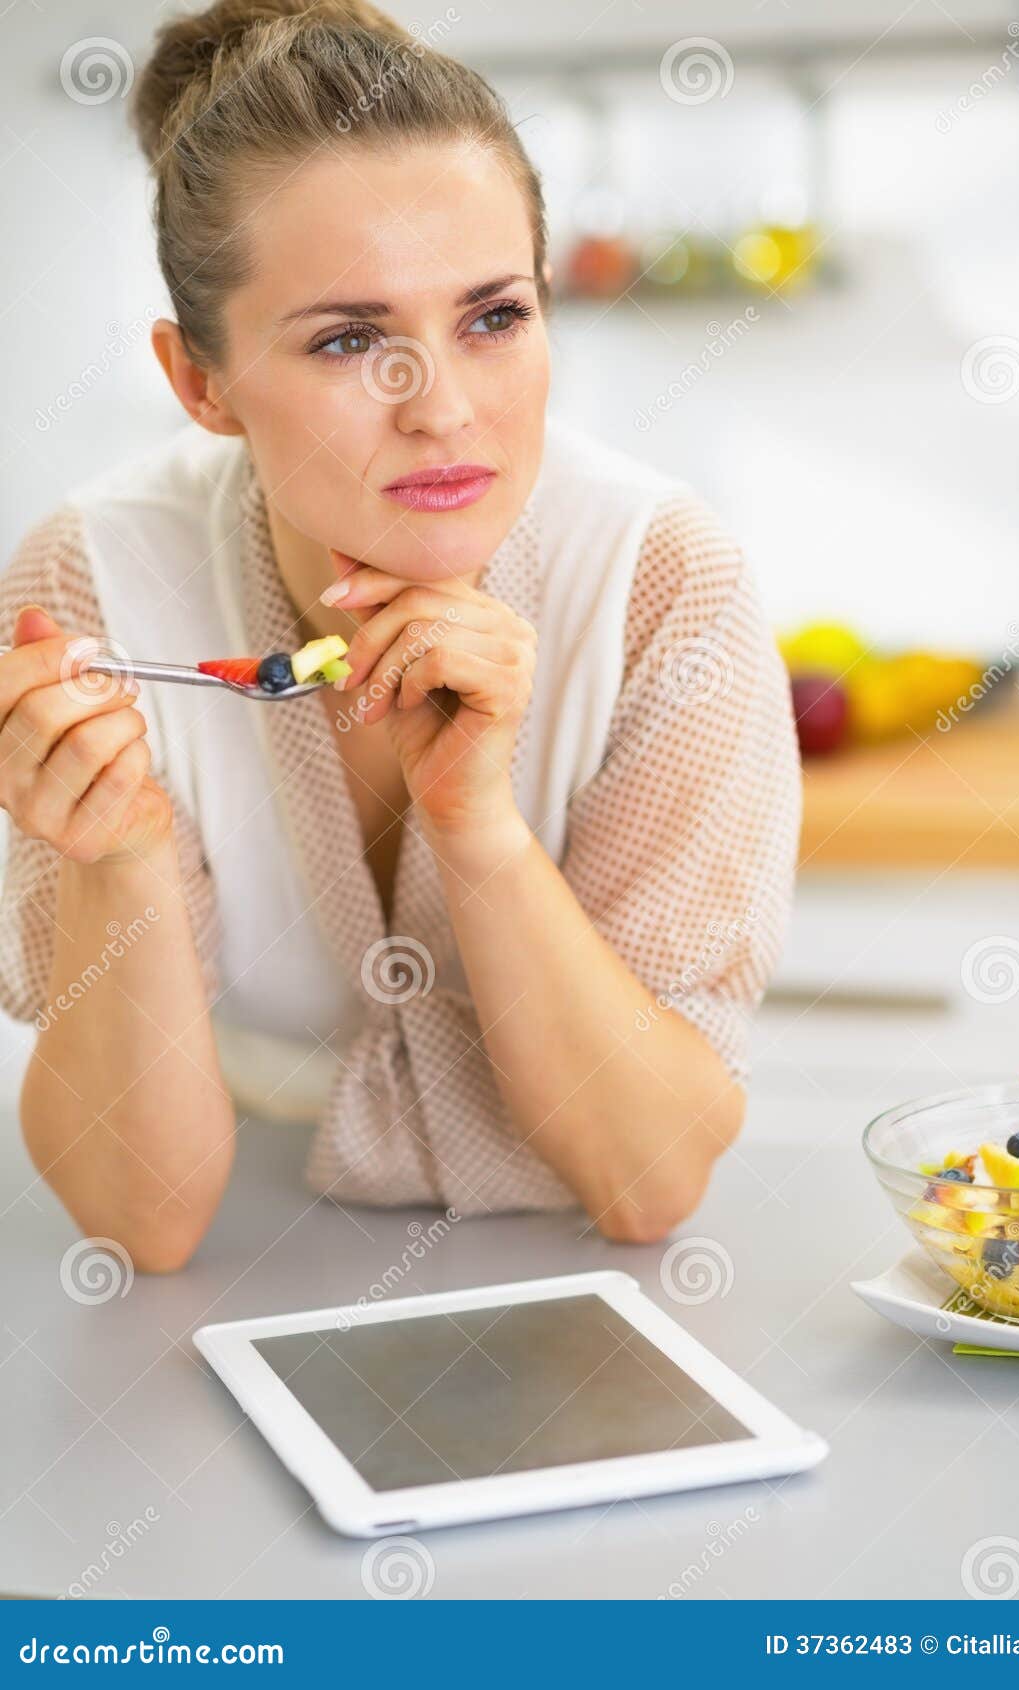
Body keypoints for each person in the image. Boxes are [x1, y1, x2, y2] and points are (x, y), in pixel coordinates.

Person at [0, 0, 800, 1271]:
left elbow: (647, 1183)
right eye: (350, 339)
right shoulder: (95, 583)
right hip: (232, 1265)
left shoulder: (663, 586)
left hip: (583, 1282)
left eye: (493, 317)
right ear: (199, 382)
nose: (442, 411)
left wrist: (476, 825)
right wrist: (120, 857)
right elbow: (135, 1222)